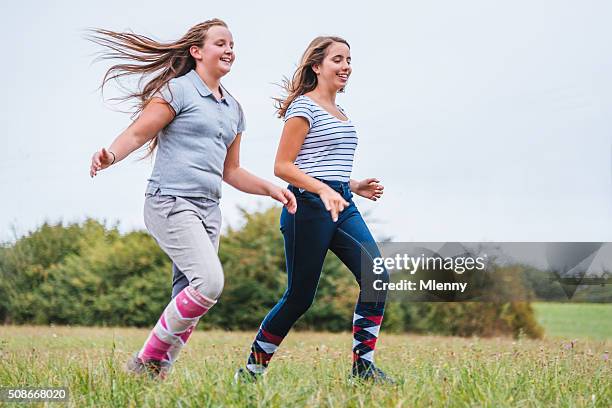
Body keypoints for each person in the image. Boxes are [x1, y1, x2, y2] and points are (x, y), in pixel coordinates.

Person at [88, 18, 296, 379]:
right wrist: (111, 155)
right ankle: (144, 360)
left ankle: (155, 374)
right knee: (210, 282)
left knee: (189, 296)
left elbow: (231, 171)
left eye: (232, 44)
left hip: (207, 210)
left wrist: (271, 188)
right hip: (169, 202)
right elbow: (138, 132)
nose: (229, 49)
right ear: (197, 52)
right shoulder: (177, 91)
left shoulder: (234, 109)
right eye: (220, 43)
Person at [236, 36, 392, 383]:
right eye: (338, 59)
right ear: (316, 66)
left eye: (349, 60)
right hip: (306, 206)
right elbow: (283, 166)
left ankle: (362, 367)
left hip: (341, 203)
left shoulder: (341, 112)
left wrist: (350, 186)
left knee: (377, 276)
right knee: (299, 297)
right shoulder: (303, 108)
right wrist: (323, 189)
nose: (346, 66)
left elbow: (321, 164)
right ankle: (251, 371)